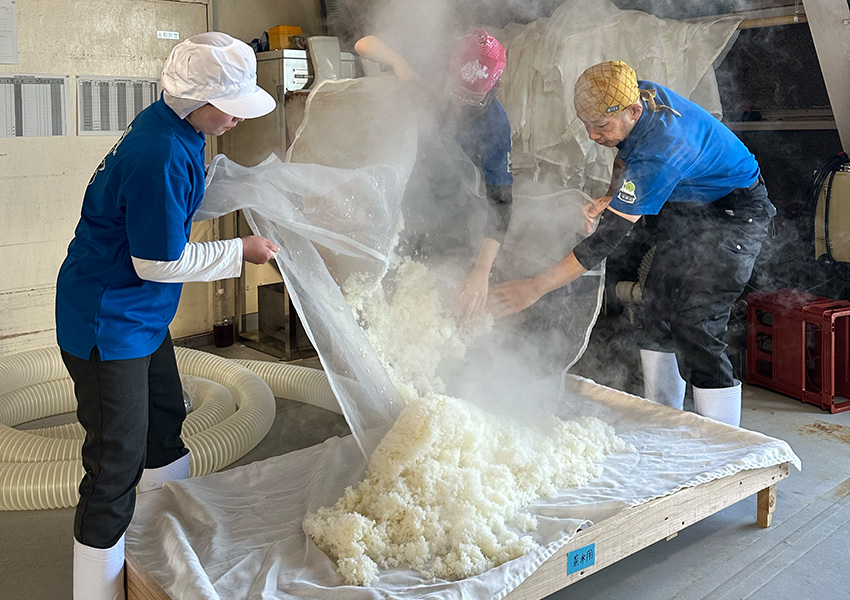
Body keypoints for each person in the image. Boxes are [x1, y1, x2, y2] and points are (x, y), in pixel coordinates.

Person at [55, 32, 279, 600]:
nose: (236, 118)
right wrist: (240, 251)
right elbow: (156, 261)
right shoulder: (160, 152)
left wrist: (248, 188)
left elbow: (173, 205)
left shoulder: (175, 127)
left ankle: (161, 553)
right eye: (229, 107)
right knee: (115, 464)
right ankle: (96, 590)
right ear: (196, 99)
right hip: (109, 322)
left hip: (141, 317)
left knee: (164, 425)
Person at [492, 60, 776, 426]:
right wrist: (613, 195)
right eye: (586, 124)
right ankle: (663, 420)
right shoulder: (628, 90)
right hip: (690, 205)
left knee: (696, 323)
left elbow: (604, 242)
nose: (593, 135)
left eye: (601, 126)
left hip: (737, 213)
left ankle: (724, 442)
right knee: (654, 308)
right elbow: (626, 152)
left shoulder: (662, 148)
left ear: (634, 112)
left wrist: (534, 287)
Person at [355, 30, 513, 321]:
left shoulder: (495, 126)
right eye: (458, 92)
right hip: (400, 183)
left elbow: (501, 203)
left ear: (493, 88)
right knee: (377, 277)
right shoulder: (430, 73)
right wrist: (399, 62)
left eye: (474, 98)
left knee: (433, 285)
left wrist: (481, 270)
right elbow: (363, 44)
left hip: (449, 202)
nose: (463, 102)